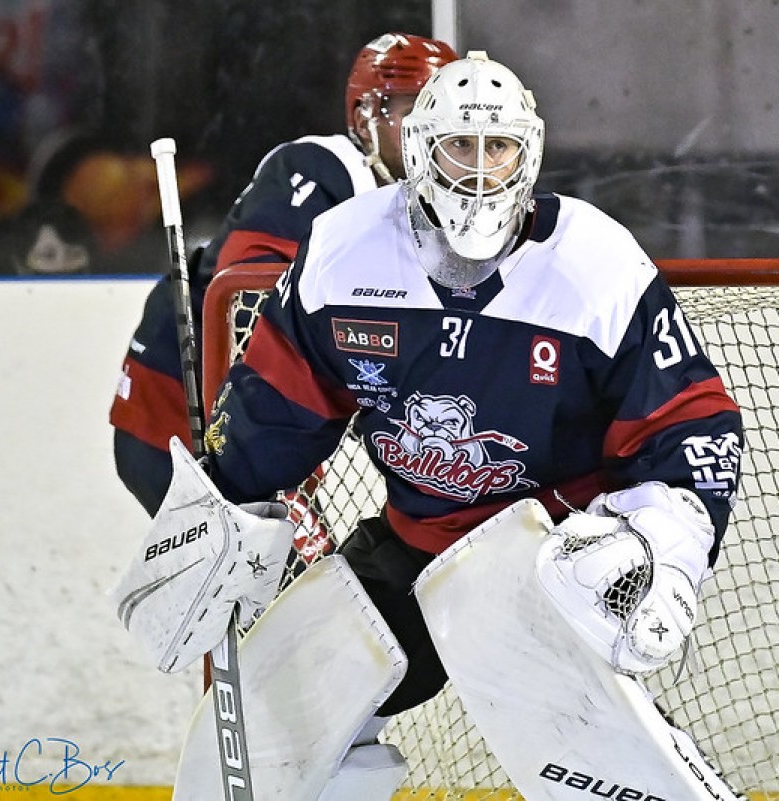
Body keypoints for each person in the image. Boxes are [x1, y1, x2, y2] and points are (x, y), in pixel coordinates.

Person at [196, 51, 745, 797]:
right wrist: (217, 513)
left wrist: (663, 552)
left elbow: (691, 427)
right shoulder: (343, 249)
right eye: (461, 145)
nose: (481, 170)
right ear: (421, 147)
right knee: (264, 733)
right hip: (414, 544)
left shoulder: (595, 263)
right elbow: (277, 406)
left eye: (500, 147)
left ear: (531, 152)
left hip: (551, 561)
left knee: (610, 776)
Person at [109, 32, 459, 517]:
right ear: (364, 118)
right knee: (268, 579)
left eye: (440, 117)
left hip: (259, 422)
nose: (429, 132)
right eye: (411, 112)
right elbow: (249, 295)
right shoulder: (318, 168)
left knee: (297, 582)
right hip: (178, 411)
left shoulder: (440, 203)